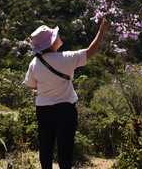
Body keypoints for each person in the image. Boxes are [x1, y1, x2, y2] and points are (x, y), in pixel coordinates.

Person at [24, 19, 110, 169]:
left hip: (43, 110)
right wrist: (101, 31)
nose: (58, 37)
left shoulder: (34, 63)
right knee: (65, 149)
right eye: (55, 36)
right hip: (65, 110)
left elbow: (31, 86)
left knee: (46, 148)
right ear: (51, 44)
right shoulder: (66, 58)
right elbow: (89, 52)